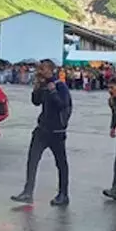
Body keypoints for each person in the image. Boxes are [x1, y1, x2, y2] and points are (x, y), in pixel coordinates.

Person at [11, 59, 72, 206]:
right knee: (32, 159)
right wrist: (37, 88)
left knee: (61, 163)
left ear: (51, 70)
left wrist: (52, 91)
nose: (40, 71)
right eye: (39, 69)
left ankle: (63, 194)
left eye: (43, 69)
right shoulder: (43, 85)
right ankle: (28, 192)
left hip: (57, 131)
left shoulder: (60, 86)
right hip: (42, 129)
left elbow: (62, 105)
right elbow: (36, 102)